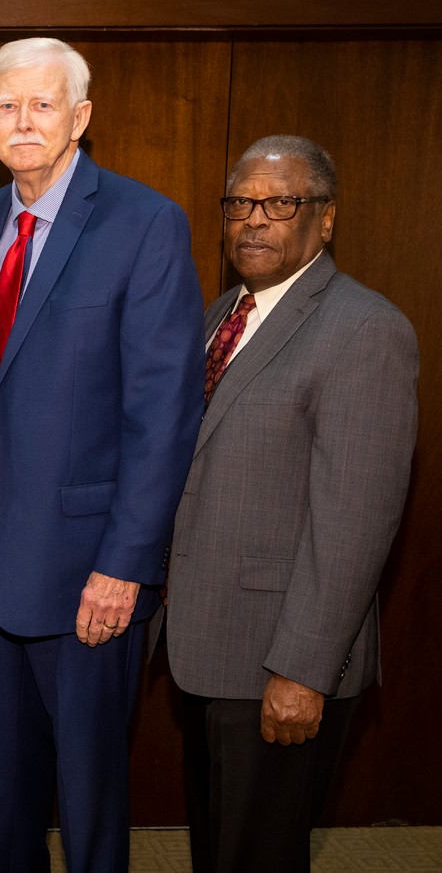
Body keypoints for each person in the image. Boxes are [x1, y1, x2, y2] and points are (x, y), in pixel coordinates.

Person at [0, 38, 205, 871]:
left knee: (89, 803)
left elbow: (163, 413)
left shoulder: (145, 222)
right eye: (8, 106)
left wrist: (124, 566)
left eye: (44, 104)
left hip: (88, 572)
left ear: (80, 116)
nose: (24, 121)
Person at [162, 135, 418, 873]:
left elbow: (355, 524)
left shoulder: (364, 329)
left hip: (281, 658)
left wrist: (303, 672)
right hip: (207, 647)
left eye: (280, 203)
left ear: (325, 219)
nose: (254, 220)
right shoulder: (222, 315)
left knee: (260, 856)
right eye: (240, 203)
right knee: (220, 849)